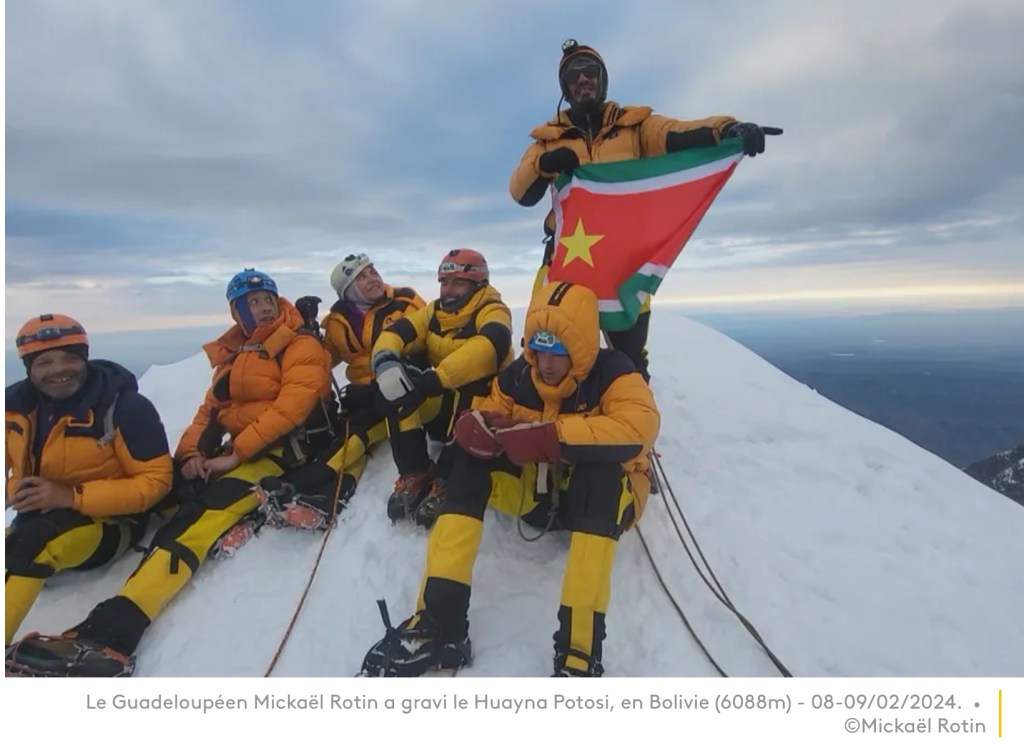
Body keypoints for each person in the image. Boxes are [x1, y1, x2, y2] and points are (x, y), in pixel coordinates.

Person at [4, 270, 333, 677]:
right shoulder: (236, 353)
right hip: (242, 450)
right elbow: (209, 411)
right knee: (184, 489)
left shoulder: (299, 344)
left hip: (287, 450)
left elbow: (293, 407)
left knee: (204, 514)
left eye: (267, 299)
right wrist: (191, 453)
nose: (263, 307)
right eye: (251, 302)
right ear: (236, 311)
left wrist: (235, 456)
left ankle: (113, 634)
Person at [359, 281, 660, 677]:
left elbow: (639, 428)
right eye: (539, 349)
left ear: (583, 348)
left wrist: (554, 437)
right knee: (468, 463)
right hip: (538, 497)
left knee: (599, 478)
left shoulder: (615, 373)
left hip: (602, 506)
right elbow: (485, 411)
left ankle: (579, 651)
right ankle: (440, 624)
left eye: (559, 352)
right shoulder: (519, 376)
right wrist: (475, 426)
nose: (547, 363)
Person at [510, 39, 778, 380]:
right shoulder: (548, 139)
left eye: (589, 72)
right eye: (573, 76)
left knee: (629, 359)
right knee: (545, 347)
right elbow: (520, 191)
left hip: (624, 262)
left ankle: (630, 418)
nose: (582, 80)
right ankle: (548, 420)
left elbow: (680, 134)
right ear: (565, 87)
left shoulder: (636, 126)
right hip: (566, 258)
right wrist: (545, 164)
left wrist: (728, 130)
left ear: (602, 79)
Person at [5, 315, 173, 659]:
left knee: (31, 543)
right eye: (45, 361)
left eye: (69, 358)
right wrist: (16, 491)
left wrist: (69, 497)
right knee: (26, 538)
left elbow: (157, 481)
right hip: (40, 516)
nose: (59, 369)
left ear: (84, 358)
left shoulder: (124, 407)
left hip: (113, 525)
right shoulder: (17, 408)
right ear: (29, 368)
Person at [258, 253, 427, 530]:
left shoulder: (405, 301)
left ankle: (297, 485)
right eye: (362, 276)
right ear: (347, 290)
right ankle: (327, 501)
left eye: (372, 271)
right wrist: (309, 331)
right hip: (363, 394)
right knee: (351, 436)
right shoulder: (337, 322)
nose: (373, 278)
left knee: (357, 435)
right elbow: (323, 361)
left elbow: (429, 333)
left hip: (401, 387)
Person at [369, 248, 514, 527]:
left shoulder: (493, 309)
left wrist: (436, 379)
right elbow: (395, 334)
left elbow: (490, 347)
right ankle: (416, 471)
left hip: (483, 406)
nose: (448, 290)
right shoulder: (433, 312)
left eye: (458, 283)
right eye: (444, 283)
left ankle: (448, 480)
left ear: (478, 284)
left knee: (473, 396)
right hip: (444, 398)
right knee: (396, 389)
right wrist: (385, 362)